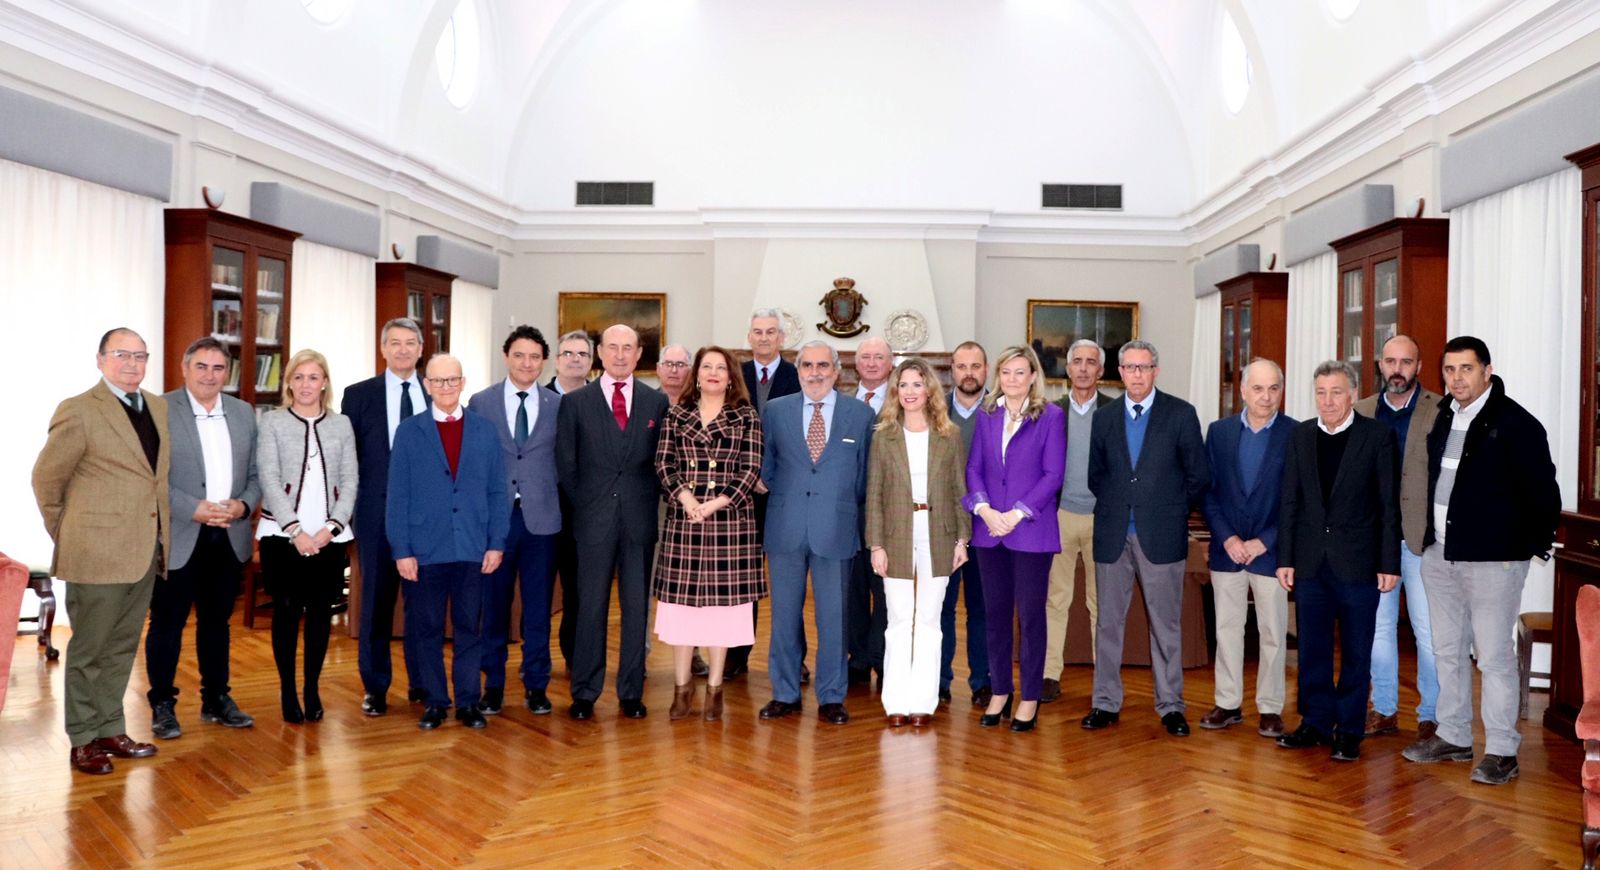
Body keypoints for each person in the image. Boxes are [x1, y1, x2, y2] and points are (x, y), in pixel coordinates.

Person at [1402, 336, 1560, 785]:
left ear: (1487, 371)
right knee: (1447, 651)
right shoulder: (1444, 416)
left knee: (1492, 658)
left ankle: (1502, 752)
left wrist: (1522, 546)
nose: (1457, 378)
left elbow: (1543, 495)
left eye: (1466, 369)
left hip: (1494, 563)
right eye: (1449, 370)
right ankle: (1453, 736)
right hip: (1441, 555)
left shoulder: (1516, 423)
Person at [33, 328, 169, 774]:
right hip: (95, 553)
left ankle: (111, 727)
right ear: (100, 359)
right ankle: (83, 739)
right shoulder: (78, 409)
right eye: (121, 354)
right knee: (89, 650)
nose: (132, 363)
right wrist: (70, 533)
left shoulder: (157, 407)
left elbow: (155, 479)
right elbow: (46, 479)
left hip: (144, 550)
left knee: (122, 647)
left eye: (140, 356)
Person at [1082, 340, 1208, 737]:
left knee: (1165, 625)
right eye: (1130, 367)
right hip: (1113, 534)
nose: (1137, 374)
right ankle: (1105, 702)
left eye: (1144, 367)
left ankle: (1171, 706)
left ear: (1156, 370)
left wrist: (1168, 508)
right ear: (1120, 372)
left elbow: (1198, 476)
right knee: (1108, 624)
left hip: (1162, 535)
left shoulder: (1181, 414)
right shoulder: (1104, 418)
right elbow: (1096, 476)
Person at [1275, 360, 1400, 762]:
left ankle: (1348, 730)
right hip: (1310, 564)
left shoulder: (1377, 437)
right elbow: (1290, 500)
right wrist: (1285, 557)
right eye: (1321, 393)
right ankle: (1314, 722)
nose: (1328, 401)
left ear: (1353, 395)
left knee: (1356, 652)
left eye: (1336, 392)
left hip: (1358, 565)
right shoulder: (1300, 436)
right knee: (1312, 649)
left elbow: (1388, 505)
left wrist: (1389, 563)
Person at [145, 337, 262, 739]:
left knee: (217, 623)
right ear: (184, 368)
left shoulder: (243, 413)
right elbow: (151, 476)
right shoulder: (160, 409)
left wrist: (244, 505)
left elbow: (255, 474)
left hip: (228, 534)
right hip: (181, 532)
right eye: (201, 366)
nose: (209, 375)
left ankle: (216, 698)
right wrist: (190, 507)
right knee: (167, 622)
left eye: (218, 368)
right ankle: (162, 704)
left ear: (227, 372)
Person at [387, 354, 508, 730]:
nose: (445, 387)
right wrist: (402, 550)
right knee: (426, 629)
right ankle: (436, 701)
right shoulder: (409, 431)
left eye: (452, 379)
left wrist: (496, 542)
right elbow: (397, 495)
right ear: (426, 385)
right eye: (438, 381)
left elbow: (498, 491)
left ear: (463, 382)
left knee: (470, 627)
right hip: (425, 548)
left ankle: (468, 702)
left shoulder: (485, 430)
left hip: (473, 545)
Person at [555, 324, 669, 720]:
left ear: (639, 355)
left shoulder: (656, 403)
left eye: (628, 348)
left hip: (639, 521)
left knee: (636, 609)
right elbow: (566, 465)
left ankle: (631, 692)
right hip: (592, 521)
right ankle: (585, 691)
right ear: (600, 353)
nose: (620, 355)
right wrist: (589, 506)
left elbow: (662, 463)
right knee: (590, 607)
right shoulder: (576, 403)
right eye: (613, 347)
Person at [759, 341, 875, 725]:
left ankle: (831, 696)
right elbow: (767, 466)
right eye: (807, 365)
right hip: (786, 527)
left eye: (823, 365)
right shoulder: (776, 411)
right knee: (784, 617)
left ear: (837, 370)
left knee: (834, 619)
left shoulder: (860, 415)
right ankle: (785, 693)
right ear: (798, 370)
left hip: (836, 528)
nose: (815, 372)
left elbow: (864, 477)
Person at [653, 346, 766, 721]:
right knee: (682, 611)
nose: (714, 372)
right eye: (707, 366)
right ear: (696, 374)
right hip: (685, 521)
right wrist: (686, 499)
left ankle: (715, 690)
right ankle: (682, 688)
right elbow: (664, 463)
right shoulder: (677, 414)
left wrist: (716, 503)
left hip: (729, 523)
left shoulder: (746, 416)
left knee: (723, 613)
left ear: (731, 377)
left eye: (721, 367)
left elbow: (750, 469)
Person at [964, 345, 1065, 733]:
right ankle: (1001, 691)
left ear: (1033, 376)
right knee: (995, 616)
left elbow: (1053, 475)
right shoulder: (986, 415)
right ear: (998, 377)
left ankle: (1029, 697)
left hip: (1031, 532)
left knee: (1031, 617)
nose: (1012, 379)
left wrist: (1016, 513)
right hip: (990, 530)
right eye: (1006, 372)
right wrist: (984, 509)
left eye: (1020, 372)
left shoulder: (1051, 416)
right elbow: (974, 468)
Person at [866, 358, 970, 726]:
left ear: (929, 390)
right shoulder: (884, 436)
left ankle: (923, 702)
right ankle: (895, 701)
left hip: (939, 533)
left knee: (929, 619)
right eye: (904, 385)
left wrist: (962, 539)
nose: (910, 392)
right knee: (898, 619)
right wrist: (876, 545)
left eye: (917, 384)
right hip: (895, 534)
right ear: (896, 391)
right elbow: (875, 494)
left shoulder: (949, 435)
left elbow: (959, 490)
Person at [256, 349, 357, 724]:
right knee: (286, 613)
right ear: (288, 383)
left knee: (319, 614)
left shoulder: (341, 424)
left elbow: (350, 479)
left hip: (328, 536)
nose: (305, 385)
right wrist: (295, 530)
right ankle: (288, 690)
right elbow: (268, 478)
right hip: (282, 536)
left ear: (325, 383)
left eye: (313, 377)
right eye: (298, 377)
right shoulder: (272, 422)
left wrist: (332, 527)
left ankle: (312, 688)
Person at [468, 326, 562, 715]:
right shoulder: (481, 402)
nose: (527, 363)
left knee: (538, 610)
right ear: (506, 356)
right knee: (494, 607)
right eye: (520, 355)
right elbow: (471, 463)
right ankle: (492, 685)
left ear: (544, 362)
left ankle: (536, 684)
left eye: (535, 357)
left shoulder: (557, 404)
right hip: (497, 523)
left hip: (542, 522)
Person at [1354, 334, 1444, 740]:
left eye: (1406, 362)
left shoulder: (1440, 410)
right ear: (1380, 364)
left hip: (1423, 542)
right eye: (1390, 361)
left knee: (1428, 631)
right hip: (1374, 542)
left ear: (1419, 367)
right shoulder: (1360, 411)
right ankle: (1385, 708)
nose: (1397, 369)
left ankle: (1431, 714)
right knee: (1378, 629)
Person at [1199, 359, 1294, 737]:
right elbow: (1207, 492)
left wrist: (1264, 541)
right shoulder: (1219, 432)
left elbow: (1298, 499)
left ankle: (1270, 707)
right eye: (1258, 388)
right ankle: (1227, 703)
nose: (1266, 397)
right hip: (1228, 551)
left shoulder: (1295, 433)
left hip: (1271, 553)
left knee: (1273, 632)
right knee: (1227, 629)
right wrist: (1228, 538)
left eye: (1273, 388)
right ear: (1242, 391)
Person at [341, 317, 429, 716]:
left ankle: (422, 682)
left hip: (426, 518)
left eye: (410, 343)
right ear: (383, 349)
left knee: (422, 604)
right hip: (376, 515)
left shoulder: (436, 390)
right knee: (376, 602)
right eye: (395, 343)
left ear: (421, 349)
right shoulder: (358, 395)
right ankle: (375, 687)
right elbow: (349, 460)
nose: (403, 350)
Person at [731, 310, 803, 682]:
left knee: (789, 581)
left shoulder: (797, 375)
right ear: (749, 336)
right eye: (757, 331)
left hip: (785, 492)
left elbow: (804, 434)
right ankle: (736, 654)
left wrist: (769, 474)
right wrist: (749, 474)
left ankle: (795, 659)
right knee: (742, 577)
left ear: (781, 337)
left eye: (771, 332)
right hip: (741, 495)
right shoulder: (734, 375)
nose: (763, 338)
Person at [1042, 338, 1115, 703]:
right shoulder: (1050, 412)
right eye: (1078, 361)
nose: (1084, 368)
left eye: (1091, 362)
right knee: (1056, 599)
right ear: (1067, 368)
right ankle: (1049, 674)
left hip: (1102, 518)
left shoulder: (1114, 412)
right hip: (1060, 516)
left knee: (1101, 602)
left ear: (1100, 370)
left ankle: (1104, 678)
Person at [941, 340, 991, 707]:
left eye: (975, 366)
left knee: (983, 608)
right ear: (952, 371)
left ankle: (983, 681)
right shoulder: (933, 410)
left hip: (989, 527)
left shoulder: (1001, 410)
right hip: (943, 526)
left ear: (986, 370)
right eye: (962, 366)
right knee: (940, 608)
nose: (969, 373)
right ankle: (939, 680)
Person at [848, 335, 895, 684]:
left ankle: (881, 656)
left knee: (884, 589)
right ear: (856, 363)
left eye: (879, 357)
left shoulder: (903, 402)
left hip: (889, 512)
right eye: (866, 357)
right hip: (849, 512)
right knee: (852, 589)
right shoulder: (842, 403)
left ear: (890, 364)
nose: (872, 363)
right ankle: (858, 658)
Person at [547, 329, 594, 670]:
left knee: (578, 591)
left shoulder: (600, 400)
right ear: (556, 359)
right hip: (542, 511)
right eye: (568, 353)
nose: (575, 359)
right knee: (538, 591)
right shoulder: (538, 398)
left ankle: (576, 656)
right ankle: (534, 659)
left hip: (585, 515)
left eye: (582, 354)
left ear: (591, 361)